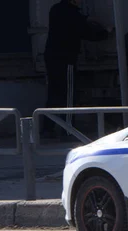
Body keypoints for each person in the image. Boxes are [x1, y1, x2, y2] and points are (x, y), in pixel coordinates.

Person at [44, 0, 108, 139]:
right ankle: (68, 130)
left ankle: (47, 128)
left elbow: (71, 22)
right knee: (68, 94)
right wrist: (105, 33)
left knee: (54, 93)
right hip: (66, 58)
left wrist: (85, 19)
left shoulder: (56, 9)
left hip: (52, 56)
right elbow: (84, 32)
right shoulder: (72, 13)